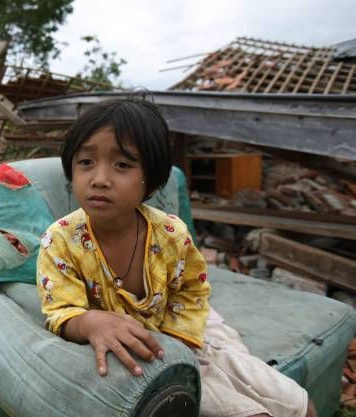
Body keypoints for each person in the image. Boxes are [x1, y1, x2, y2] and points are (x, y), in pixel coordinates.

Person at [36, 96, 316, 417]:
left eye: (122, 164)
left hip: (188, 335)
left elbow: (192, 289)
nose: (99, 178)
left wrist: (180, 339)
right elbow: (59, 310)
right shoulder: (60, 241)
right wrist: (88, 322)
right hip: (150, 358)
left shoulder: (171, 234)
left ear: (151, 179)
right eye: (85, 162)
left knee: (302, 406)